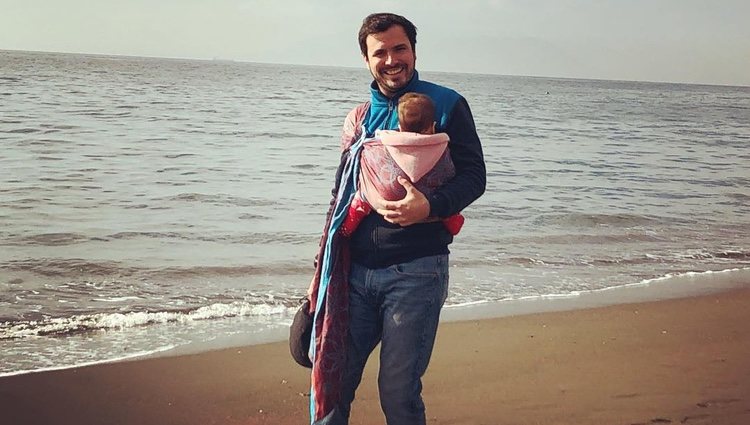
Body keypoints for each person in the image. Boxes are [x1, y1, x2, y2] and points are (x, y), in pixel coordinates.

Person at [309, 12, 486, 425]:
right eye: (380, 52)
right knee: (331, 385)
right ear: (366, 60)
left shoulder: (445, 104)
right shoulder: (359, 118)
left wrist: (430, 206)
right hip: (351, 275)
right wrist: (320, 270)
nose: (391, 60)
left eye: (399, 48)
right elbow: (340, 196)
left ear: (414, 50)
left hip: (416, 274)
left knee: (398, 394)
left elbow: (475, 177)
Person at [340, 92, 465, 237]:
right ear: (433, 126)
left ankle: (347, 228)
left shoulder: (386, 140)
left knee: (362, 196)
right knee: (445, 192)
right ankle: (451, 219)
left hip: (386, 196)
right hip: (425, 198)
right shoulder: (442, 145)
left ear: (399, 126)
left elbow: (368, 152)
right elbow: (451, 171)